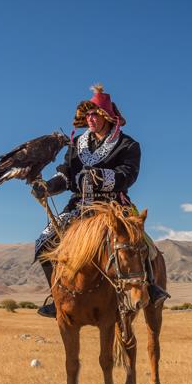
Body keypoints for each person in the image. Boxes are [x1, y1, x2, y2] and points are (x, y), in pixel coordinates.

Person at [31, 84, 170, 318]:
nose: (91, 119)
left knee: (140, 242)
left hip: (114, 205)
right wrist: (48, 186)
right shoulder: (77, 145)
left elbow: (129, 174)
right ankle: (56, 299)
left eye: (95, 114)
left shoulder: (128, 145)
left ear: (107, 116)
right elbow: (65, 172)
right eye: (87, 115)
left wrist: (102, 177)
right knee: (43, 242)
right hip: (79, 207)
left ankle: (152, 287)